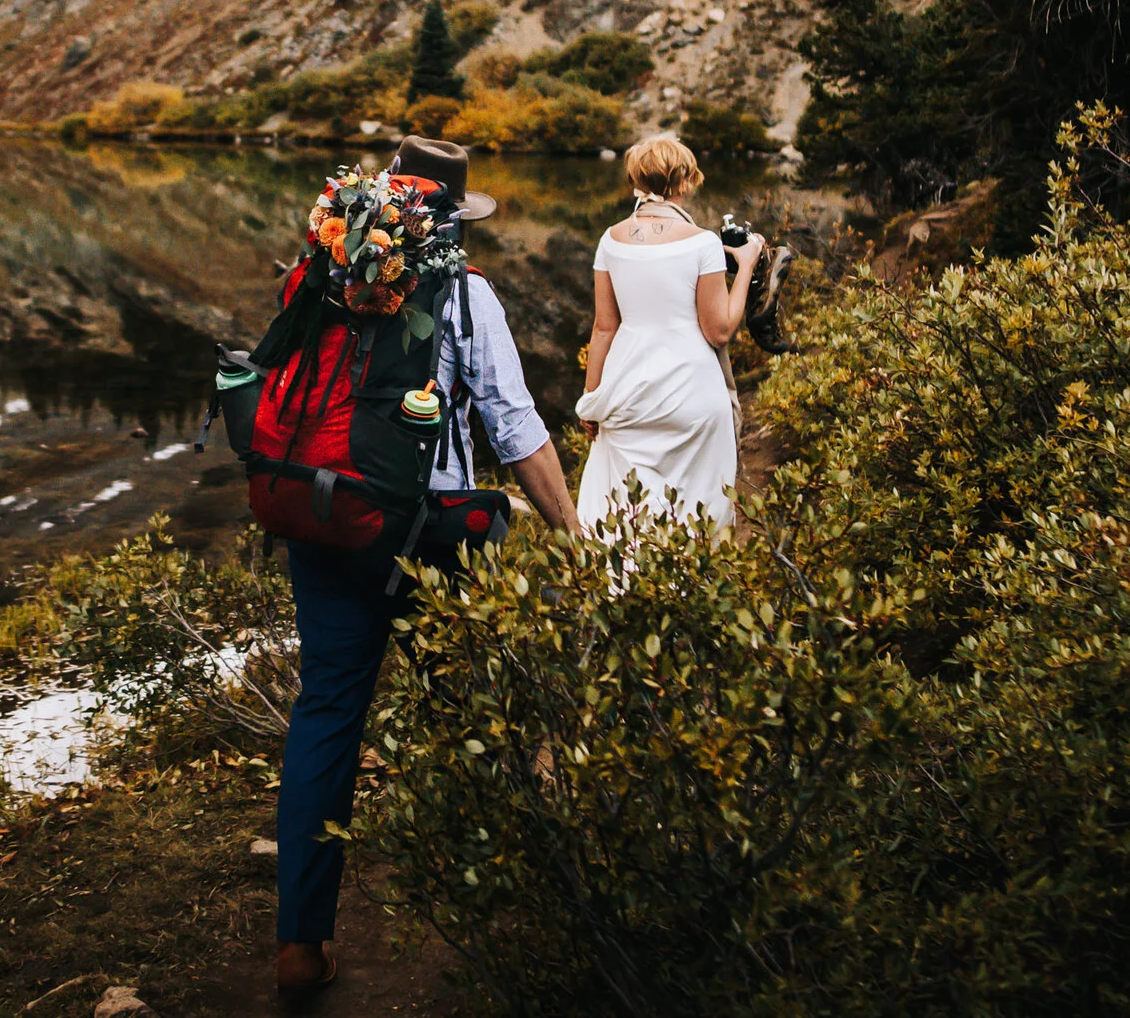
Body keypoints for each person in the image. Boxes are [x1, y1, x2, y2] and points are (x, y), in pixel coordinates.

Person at [273, 136, 579, 999]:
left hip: (327, 518)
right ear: (449, 220)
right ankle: (492, 906)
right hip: (429, 537)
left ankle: (300, 945)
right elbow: (515, 427)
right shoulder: (467, 295)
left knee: (327, 712)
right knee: (467, 708)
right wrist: (571, 532)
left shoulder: (324, 276)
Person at [571, 133, 766, 533]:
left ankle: (620, 590)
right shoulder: (703, 243)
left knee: (624, 509)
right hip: (691, 394)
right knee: (694, 512)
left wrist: (591, 399)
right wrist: (745, 264)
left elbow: (605, 327)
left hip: (627, 391)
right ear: (685, 181)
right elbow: (720, 331)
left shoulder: (610, 238)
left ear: (637, 180)